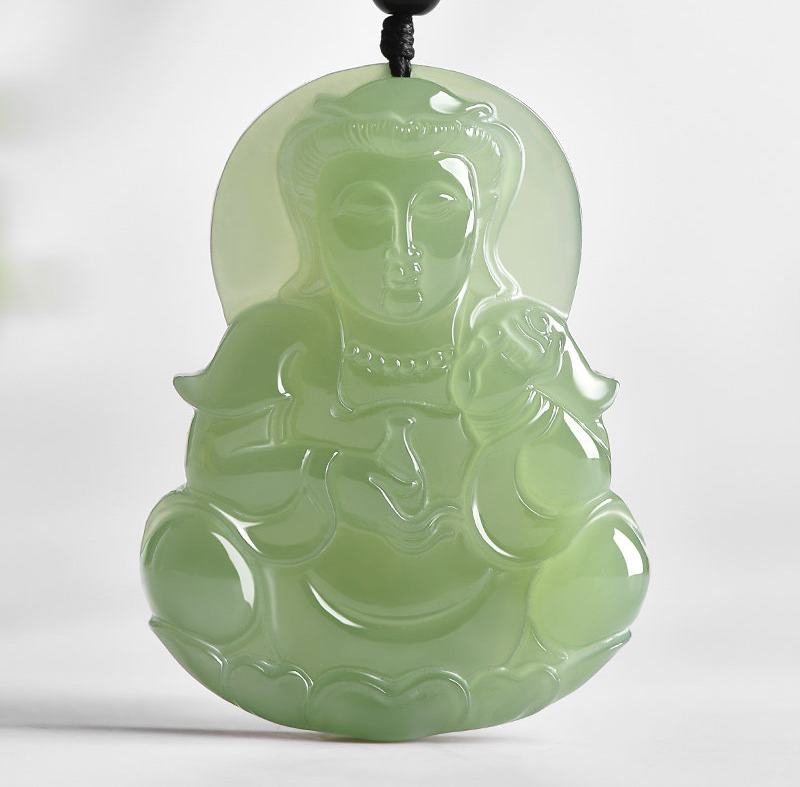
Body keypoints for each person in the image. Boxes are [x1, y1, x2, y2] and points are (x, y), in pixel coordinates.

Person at [141, 77, 648, 737]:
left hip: (493, 615)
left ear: (483, 223)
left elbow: (581, 483)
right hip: (296, 615)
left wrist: (516, 410)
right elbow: (216, 470)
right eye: (363, 215)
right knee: (184, 543)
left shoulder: (520, 340)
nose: (401, 249)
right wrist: (327, 477)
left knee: (609, 548)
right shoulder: (279, 339)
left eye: (438, 211)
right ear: (313, 229)